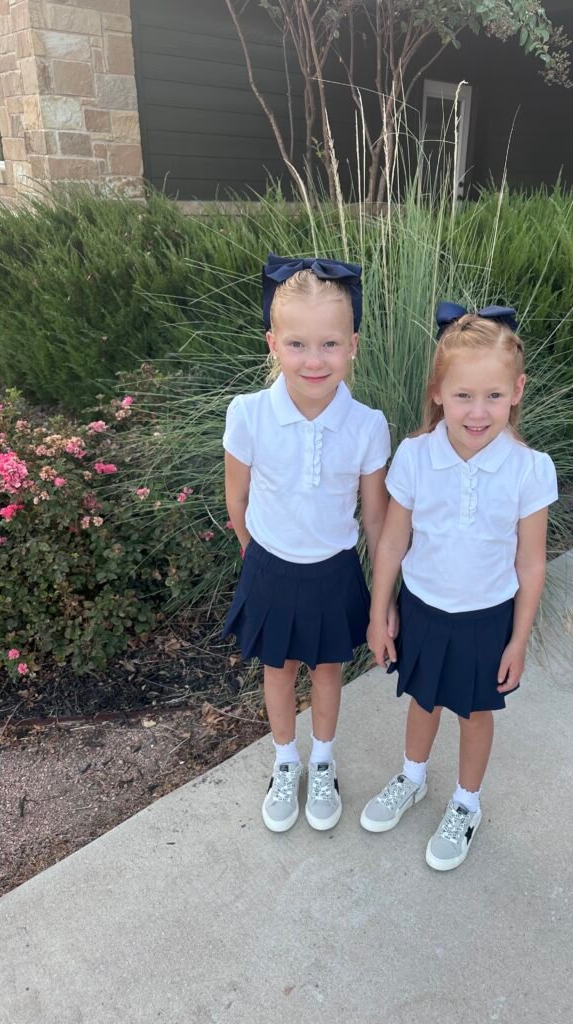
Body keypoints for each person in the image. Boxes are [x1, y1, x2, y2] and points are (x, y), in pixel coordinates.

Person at [360, 302, 557, 870]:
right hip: (423, 607)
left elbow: (531, 564)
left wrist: (518, 640)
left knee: (473, 711)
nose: (478, 411)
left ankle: (467, 803)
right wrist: (380, 611)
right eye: (463, 395)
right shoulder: (416, 456)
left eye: (493, 395)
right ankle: (412, 776)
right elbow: (392, 542)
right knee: (423, 698)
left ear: (517, 391)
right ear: (437, 392)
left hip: (486, 616)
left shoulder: (529, 469)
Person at [223, 254, 390, 834]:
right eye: (297, 344)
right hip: (269, 567)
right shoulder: (248, 415)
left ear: (353, 345)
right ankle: (285, 760)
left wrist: (383, 601)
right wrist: (256, 554)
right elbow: (237, 499)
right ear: (272, 343)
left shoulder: (367, 425)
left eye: (329, 344)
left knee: (326, 671)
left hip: (334, 569)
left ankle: (322, 761)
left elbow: (376, 520)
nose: (314, 360)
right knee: (278, 669)